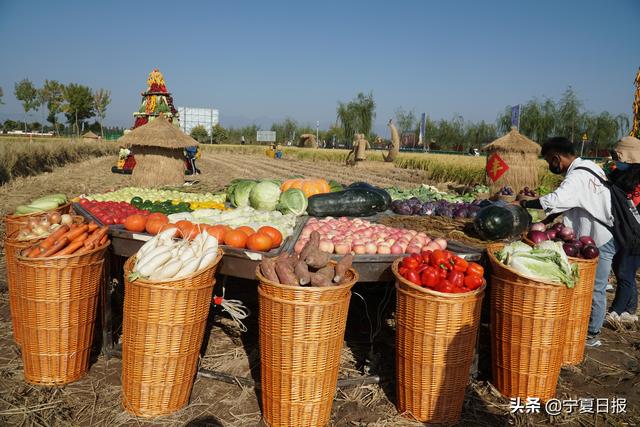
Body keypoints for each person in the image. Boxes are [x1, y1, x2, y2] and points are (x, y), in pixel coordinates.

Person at [519, 137, 615, 347]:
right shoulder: (589, 166)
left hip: (599, 238)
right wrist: (548, 220)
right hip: (595, 237)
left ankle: (592, 333)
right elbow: (575, 201)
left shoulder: (576, 177)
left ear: (556, 158)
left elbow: (556, 199)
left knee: (596, 287)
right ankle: (581, 327)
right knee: (587, 286)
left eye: (549, 161)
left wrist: (526, 203)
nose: (550, 166)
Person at [605, 136, 640, 324]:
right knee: (627, 271)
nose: (615, 160)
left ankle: (615, 311)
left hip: (634, 235)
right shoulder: (620, 175)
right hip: (625, 231)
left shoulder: (635, 181)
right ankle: (630, 311)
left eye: (617, 156)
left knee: (625, 272)